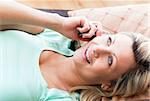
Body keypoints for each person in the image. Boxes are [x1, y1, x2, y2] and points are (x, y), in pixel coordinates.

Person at [0, 1, 149, 101]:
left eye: (110, 60)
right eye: (109, 41)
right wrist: (59, 22)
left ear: (108, 84)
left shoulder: (59, 98)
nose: (97, 49)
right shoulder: (53, 36)